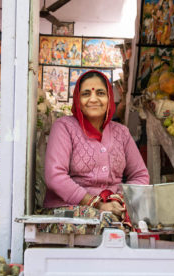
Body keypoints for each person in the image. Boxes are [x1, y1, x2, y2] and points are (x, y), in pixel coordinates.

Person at [42, 70, 149, 232]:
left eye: (100, 93)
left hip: (113, 209)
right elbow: (55, 177)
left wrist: (120, 200)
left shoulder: (121, 132)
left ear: (109, 99)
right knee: (109, 225)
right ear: (78, 100)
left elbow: (140, 175)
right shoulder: (64, 127)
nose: (93, 99)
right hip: (66, 210)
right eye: (86, 94)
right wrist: (96, 204)